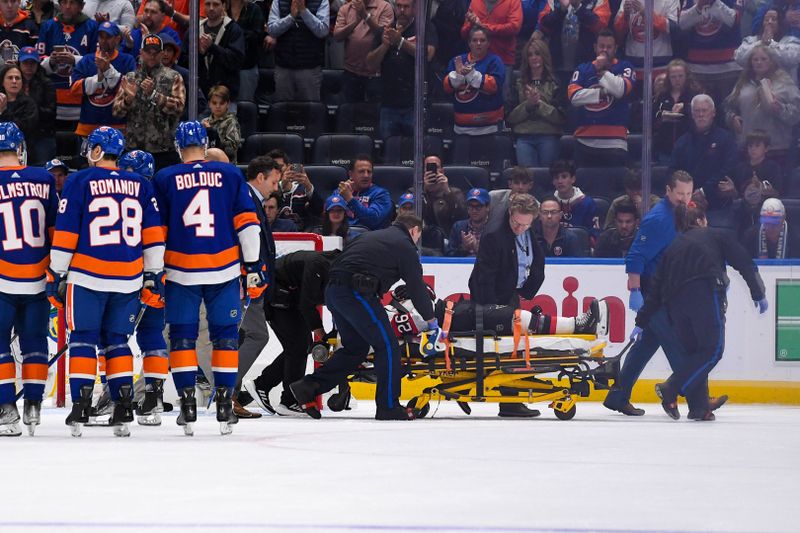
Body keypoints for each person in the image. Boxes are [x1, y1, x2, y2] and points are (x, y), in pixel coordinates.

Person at [47, 126, 165, 437]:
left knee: (83, 340)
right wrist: (151, 275)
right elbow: (153, 238)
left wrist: (57, 272)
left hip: (87, 275)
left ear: (97, 151)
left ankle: (81, 405)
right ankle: (124, 405)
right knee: (117, 342)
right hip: (128, 277)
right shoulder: (140, 184)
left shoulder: (79, 180)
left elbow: (67, 232)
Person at [152, 121, 267, 436]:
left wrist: (153, 270)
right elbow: (248, 225)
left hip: (180, 270)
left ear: (178, 147)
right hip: (224, 269)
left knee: (182, 338)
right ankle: (225, 403)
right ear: (205, 145)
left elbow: (156, 233)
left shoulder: (164, 177)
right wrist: (254, 266)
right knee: (226, 338)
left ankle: (187, 403)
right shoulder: (229, 174)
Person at [289, 213, 440, 420]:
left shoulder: (371, 236)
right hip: (356, 293)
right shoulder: (405, 246)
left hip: (333, 292)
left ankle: (309, 386)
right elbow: (416, 287)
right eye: (417, 236)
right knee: (387, 346)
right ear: (414, 231)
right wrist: (431, 321)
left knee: (356, 349)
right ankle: (388, 406)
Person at [636, 202, 767, 421]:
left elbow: (656, 290)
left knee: (695, 354)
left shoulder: (672, 248)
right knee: (712, 351)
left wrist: (641, 321)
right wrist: (758, 292)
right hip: (704, 294)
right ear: (701, 221)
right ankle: (672, 387)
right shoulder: (716, 235)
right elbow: (744, 262)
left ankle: (699, 407)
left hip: (676, 306)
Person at [603, 170, 710, 416]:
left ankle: (618, 396)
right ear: (668, 191)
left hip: (666, 291)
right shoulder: (659, 219)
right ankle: (699, 402)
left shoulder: (679, 214)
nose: (685, 198)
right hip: (655, 293)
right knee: (679, 346)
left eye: (688, 193)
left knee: (644, 348)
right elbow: (636, 255)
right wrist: (636, 289)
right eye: (680, 193)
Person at [0, 123, 57, 437]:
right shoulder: (44, 179)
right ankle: (33, 406)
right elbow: (54, 232)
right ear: (19, 148)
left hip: (2, 277)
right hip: (37, 275)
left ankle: (6, 408)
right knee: (35, 344)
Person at [468, 193, 545, 417]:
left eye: (525, 224)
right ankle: (509, 402)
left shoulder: (528, 228)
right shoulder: (494, 236)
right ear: (510, 214)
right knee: (508, 347)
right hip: (490, 294)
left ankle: (511, 401)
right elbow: (485, 277)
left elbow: (537, 260)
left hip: (509, 291)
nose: (520, 228)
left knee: (517, 345)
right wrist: (492, 311)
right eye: (516, 223)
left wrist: (526, 290)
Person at [244, 249, 340, 415]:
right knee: (298, 346)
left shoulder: (337, 268)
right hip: (276, 295)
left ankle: (262, 386)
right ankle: (288, 401)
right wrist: (323, 335)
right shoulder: (320, 266)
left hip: (287, 296)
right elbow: (306, 305)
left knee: (302, 346)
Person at [233, 155, 279, 418]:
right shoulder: (246, 200)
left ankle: (229, 394)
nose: (275, 187)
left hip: (251, 280)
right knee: (257, 335)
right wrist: (248, 274)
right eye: (273, 181)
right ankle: (226, 392)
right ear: (260, 177)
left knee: (244, 336)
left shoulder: (252, 200)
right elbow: (245, 240)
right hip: (246, 282)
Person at [113, 34, 186, 171]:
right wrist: (128, 100)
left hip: (164, 150)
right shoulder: (130, 78)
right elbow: (116, 112)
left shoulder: (173, 77)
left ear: (162, 53)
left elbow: (179, 108)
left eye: (156, 52)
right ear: (141, 52)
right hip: (133, 149)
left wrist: (154, 95)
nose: (152, 56)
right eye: (148, 52)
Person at [366, 0, 436, 139]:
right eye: (399, 6)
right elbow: (370, 64)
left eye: (406, 6)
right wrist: (385, 45)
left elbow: (428, 54)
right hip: (389, 105)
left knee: (413, 149)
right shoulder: (384, 30)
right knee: (388, 151)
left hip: (414, 105)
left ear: (415, 8)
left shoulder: (424, 28)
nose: (402, 10)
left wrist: (401, 42)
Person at [725, 43, 800, 170]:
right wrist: (732, 118)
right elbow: (729, 107)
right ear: (751, 62)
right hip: (748, 148)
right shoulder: (743, 83)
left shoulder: (784, 83)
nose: (759, 62)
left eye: (764, 59)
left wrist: (780, 109)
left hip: (776, 149)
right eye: (755, 59)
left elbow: (796, 114)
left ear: (771, 62)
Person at [568, 28, 635, 167]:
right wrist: (602, 93)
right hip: (584, 141)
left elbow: (620, 90)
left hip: (615, 142)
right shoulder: (582, 69)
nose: (604, 50)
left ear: (615, 48)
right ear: (595, 47)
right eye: (601, 46)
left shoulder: (625, 67)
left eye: (609, 47)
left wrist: (602, 71)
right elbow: (574, 97)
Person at [670, 94, 738, 213]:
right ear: (692, 114)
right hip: (687, 203)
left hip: (718, 202)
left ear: (713, 113)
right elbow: (674, 170)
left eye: (704, 110)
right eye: (697, 111)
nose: (701, 114)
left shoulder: (726, 139)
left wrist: (704, 191)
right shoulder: (682, 142)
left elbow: (728, 168)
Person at [36, 0, 99, 126]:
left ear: (81, 6)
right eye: (64, 2)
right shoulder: (48, 26)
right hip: (53, 101)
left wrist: (75, 60)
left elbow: (98, 61)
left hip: (82, 102)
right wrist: (51, 61)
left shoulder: (92, 27)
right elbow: (37, 61)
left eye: (73, 3)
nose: (68, 6)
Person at [507, 36, 565, 167]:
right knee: (527, 178)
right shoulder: (518, 82)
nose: (534, 57)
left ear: (544, 56)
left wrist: (539, 103)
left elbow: (561, 118)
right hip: (524, 136)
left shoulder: (555, 82)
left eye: (537, 54)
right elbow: (510, 117)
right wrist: (528, 105)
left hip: (548, 136)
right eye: (530, 55)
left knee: (546, 177)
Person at [70, 21, 135, 137]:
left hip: (117, 128)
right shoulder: (87, 60)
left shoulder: (127, 60)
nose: (104, 40)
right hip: (87, 128)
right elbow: (74, 88)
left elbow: (131, 89)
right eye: (101, 36)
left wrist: (107, 71)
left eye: (108, 37)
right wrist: (97, 79)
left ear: (117, 39)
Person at [443, 26, 506, 136]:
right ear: (469, 43)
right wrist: (458, 76)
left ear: (488, 43)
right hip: (462, 129)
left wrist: (471, 74)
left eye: (482, 40)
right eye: (474, 40)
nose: (478, 43)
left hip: (490, 128)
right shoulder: (456, 61)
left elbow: (494, 87)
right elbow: (446, 88)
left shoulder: (495, 61)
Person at [679, 0, 743, 106]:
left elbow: (734, 20)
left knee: (727, 112)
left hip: (728, 68)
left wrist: (713, 2)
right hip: (696, 68)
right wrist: (698, 7)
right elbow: (682, 24)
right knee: (698, 112)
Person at [459, 0, 521, 103]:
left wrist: (483, 26)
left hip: (503, 58)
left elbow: (514, 27)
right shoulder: (475, 2)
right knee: (475, 98)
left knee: (503, 99)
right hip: (477, 60)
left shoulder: (513, 1)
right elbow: (464, 33)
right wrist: (471, 24)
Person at [267, 0, 329, 101]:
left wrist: (304, 11)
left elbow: (322, 31)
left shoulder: (321, 1)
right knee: (282, 111)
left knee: (310, 112)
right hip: (283, 68)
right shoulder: (278, 1)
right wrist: (291, 17)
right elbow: (272, 30)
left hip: (310, 69)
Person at [332, 0, 393, 102]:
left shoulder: (385, 7)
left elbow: (384, 36)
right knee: (350, 112)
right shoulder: (346, 8)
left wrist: (365, 16)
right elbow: (337, 36)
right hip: (351, 73)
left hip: (375, 75)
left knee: (374, 114)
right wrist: (355, 22)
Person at [537, 0, 612, 71]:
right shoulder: (554, 1)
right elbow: (543, 26)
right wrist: (561, 10)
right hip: (557, 64)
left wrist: (578, 7)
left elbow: (601, 26)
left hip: (586, 65)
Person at [612, 0, 678, 80]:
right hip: (633, 65)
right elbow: (618, 31)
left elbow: (674, 29)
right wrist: (625, 16)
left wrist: (646, 13)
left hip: (661, 67)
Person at [194, 0, 245, 101]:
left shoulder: (234, 29)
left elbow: (235, 61)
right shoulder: (195, 29)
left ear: (224, 6)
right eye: (208, 4)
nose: (211, 8)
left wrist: (212, 47)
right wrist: (200, 54)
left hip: (226, 99)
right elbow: (185, 61)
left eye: (216, 4)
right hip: (200, 98)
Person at [653, 59, 701, 164]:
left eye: (680, 76)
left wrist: (686, 108)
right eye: (673, 77)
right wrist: (662, 116)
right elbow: (654, 115)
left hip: (689, 145)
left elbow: (699, 115)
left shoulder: (694, 94)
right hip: (665, 146)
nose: (677, 80)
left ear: (686, 76)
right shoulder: (662, 95)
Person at [736, 8, 800, 80]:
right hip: (756, 85)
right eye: (766, 19)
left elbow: (793, 59)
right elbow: (739, 58)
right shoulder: (751, 40)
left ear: (780, 23)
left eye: (773, 19)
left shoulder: (791, 40)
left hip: (783, 86)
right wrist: (761, 43)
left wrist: (770, 43)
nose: (769, 22)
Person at [19, 46, 55, 165]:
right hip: (18, 133)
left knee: (42, 167)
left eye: (32, 63)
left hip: (41, 133)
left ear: (37, 64)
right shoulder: (12, 81)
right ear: (19, 63)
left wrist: (31, 108)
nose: (29, 66)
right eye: (26, 62)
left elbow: (51, 112)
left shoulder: (47, 83)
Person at [337, 154, 392, 230]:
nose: (366, 175)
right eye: (361, 171)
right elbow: (328, 216)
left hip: (369, 238)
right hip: (342, 236)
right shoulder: (341, 191)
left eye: (369, 172)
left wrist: (350, 199)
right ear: (351, 174)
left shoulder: (381, 194)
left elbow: (374, 220)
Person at [227, 0, 264, 103]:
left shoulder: (254, 9)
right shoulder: (221, 7)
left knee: (245, 106)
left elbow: (258, 36)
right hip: (225, 69)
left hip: (247, 66)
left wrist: (233, 32)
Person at [421, 154, 466, 236]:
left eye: (436, 167)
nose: (433, 170)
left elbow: (462, 216)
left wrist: (447, 191)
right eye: (428, 167)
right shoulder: (416, 192)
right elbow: (416, 217)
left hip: (449, 238)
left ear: (442, 171)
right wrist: (426, 192)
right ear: (423, 171)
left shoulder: (455, 192)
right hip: (424, 239)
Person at [551, 159, 597, 233]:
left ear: (573, 179)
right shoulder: (548, 203)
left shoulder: (588, 204)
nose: (560, 181)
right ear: (553, 181)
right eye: (556, 178)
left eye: (564, 177)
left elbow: (593, 234)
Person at [487, 166, 537, 232]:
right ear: (510, 184)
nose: (520, 187)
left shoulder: (536, 206)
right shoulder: (493, 197)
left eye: (524, 183)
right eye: (516, 183)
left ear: (530, 185)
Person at [201, 84, 241, 164]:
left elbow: (231, 149)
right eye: (214, 103)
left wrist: (213, 133)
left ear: (228, 104)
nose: (218, 106)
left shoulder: (231, 122)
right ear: (209, 104)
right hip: (206, 164)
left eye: (221, 103)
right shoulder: (204, 122)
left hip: (226, 165)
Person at [447, 187, 490, 257]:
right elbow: (448, 255)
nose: (474, 210)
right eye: (471, 206)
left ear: (487, 207)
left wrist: (478, 248)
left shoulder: (495, 228)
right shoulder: (458, 227)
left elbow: (499, 258)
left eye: (478, 206)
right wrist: (463, 248)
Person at [0, 64, 39, 141]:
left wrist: (4, 111)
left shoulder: (29, 104)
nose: (14, 81)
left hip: (20, 146)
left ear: (22, 82)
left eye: (17, 78)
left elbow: (23, 130)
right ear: (2, 82)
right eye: (10, 78)